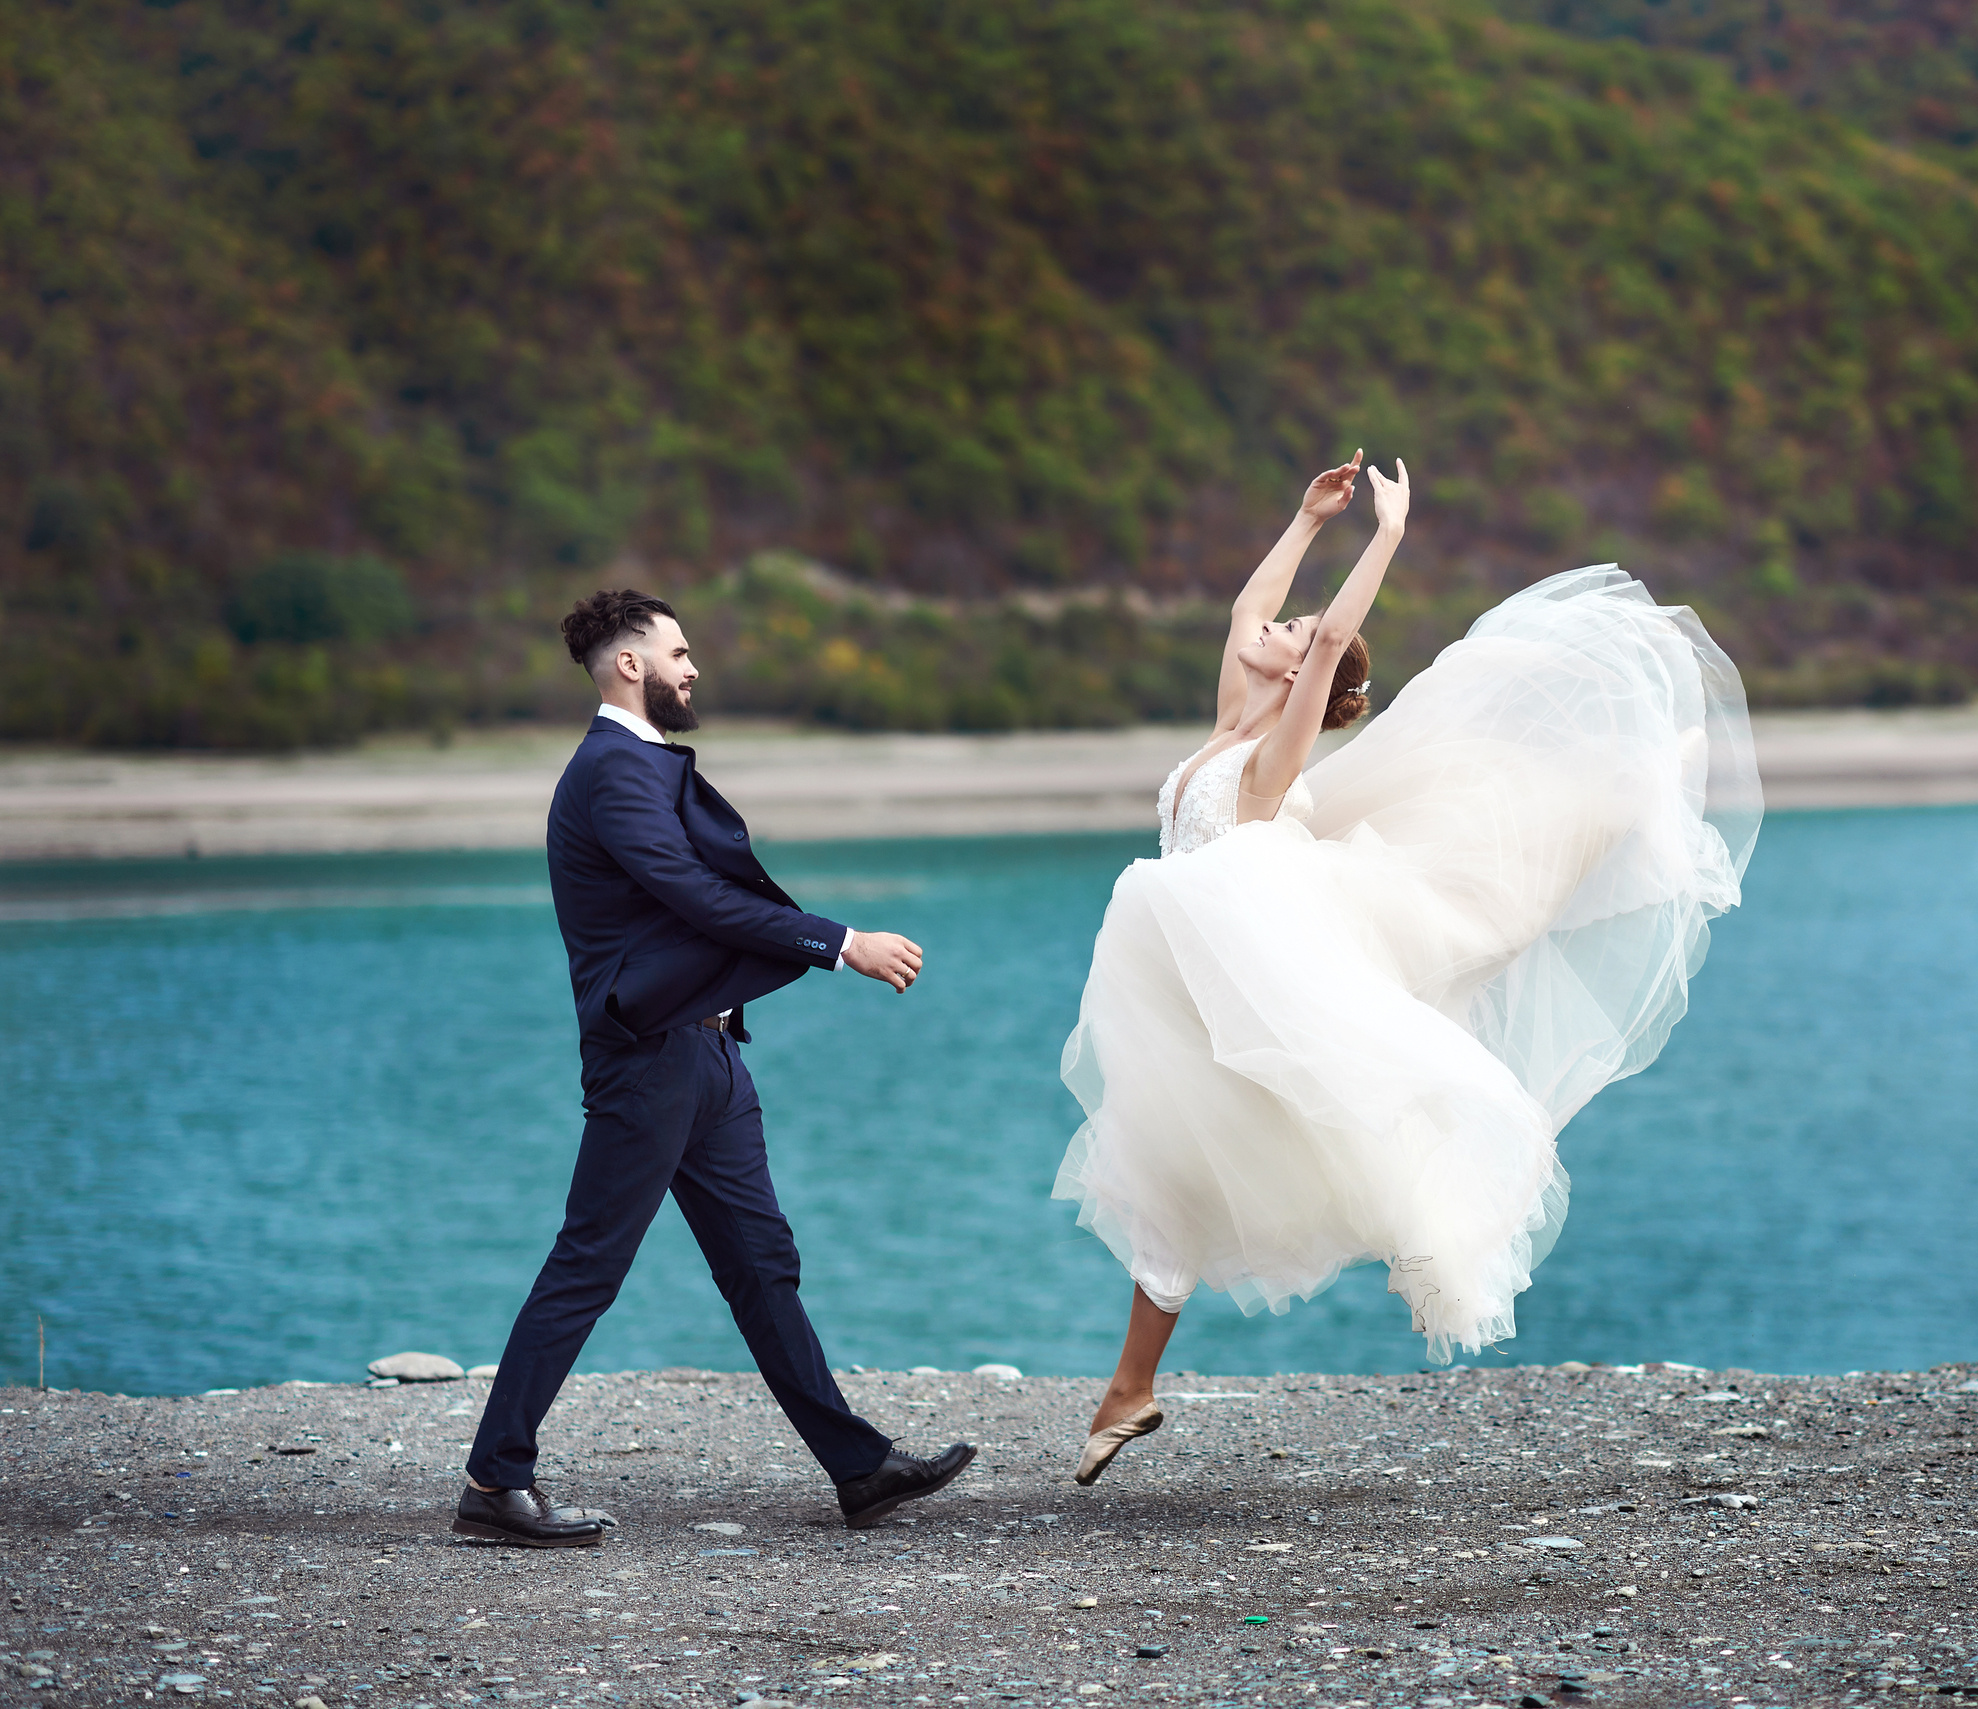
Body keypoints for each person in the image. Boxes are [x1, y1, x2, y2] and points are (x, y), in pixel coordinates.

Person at [1053, 454, 1762, 1484]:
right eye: (1284, 625)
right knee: (1172, 1174)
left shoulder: (1271, 757)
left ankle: (1641, 789)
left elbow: (1331, 636)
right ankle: (1130, 1389)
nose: (1277, 626)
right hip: (1187, 976)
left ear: (1302, 672)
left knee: (1323, 1115)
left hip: (1254, 965)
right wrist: (1307, 519)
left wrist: (1386, 533)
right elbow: (1248, 608)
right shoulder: (1227, 727)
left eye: (1294, 632)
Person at [454, 590, 972, 1547]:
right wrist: (841, 942)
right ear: (629, 665)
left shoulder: (642, 761)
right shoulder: (610, 769)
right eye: (679, 652)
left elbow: (696, 901)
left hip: (709, 1055)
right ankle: (494, 1480)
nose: (693, 668)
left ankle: (859, 1468)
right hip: (648, 1061)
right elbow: (694, 895)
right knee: (588, 1264)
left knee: (763, 1265)